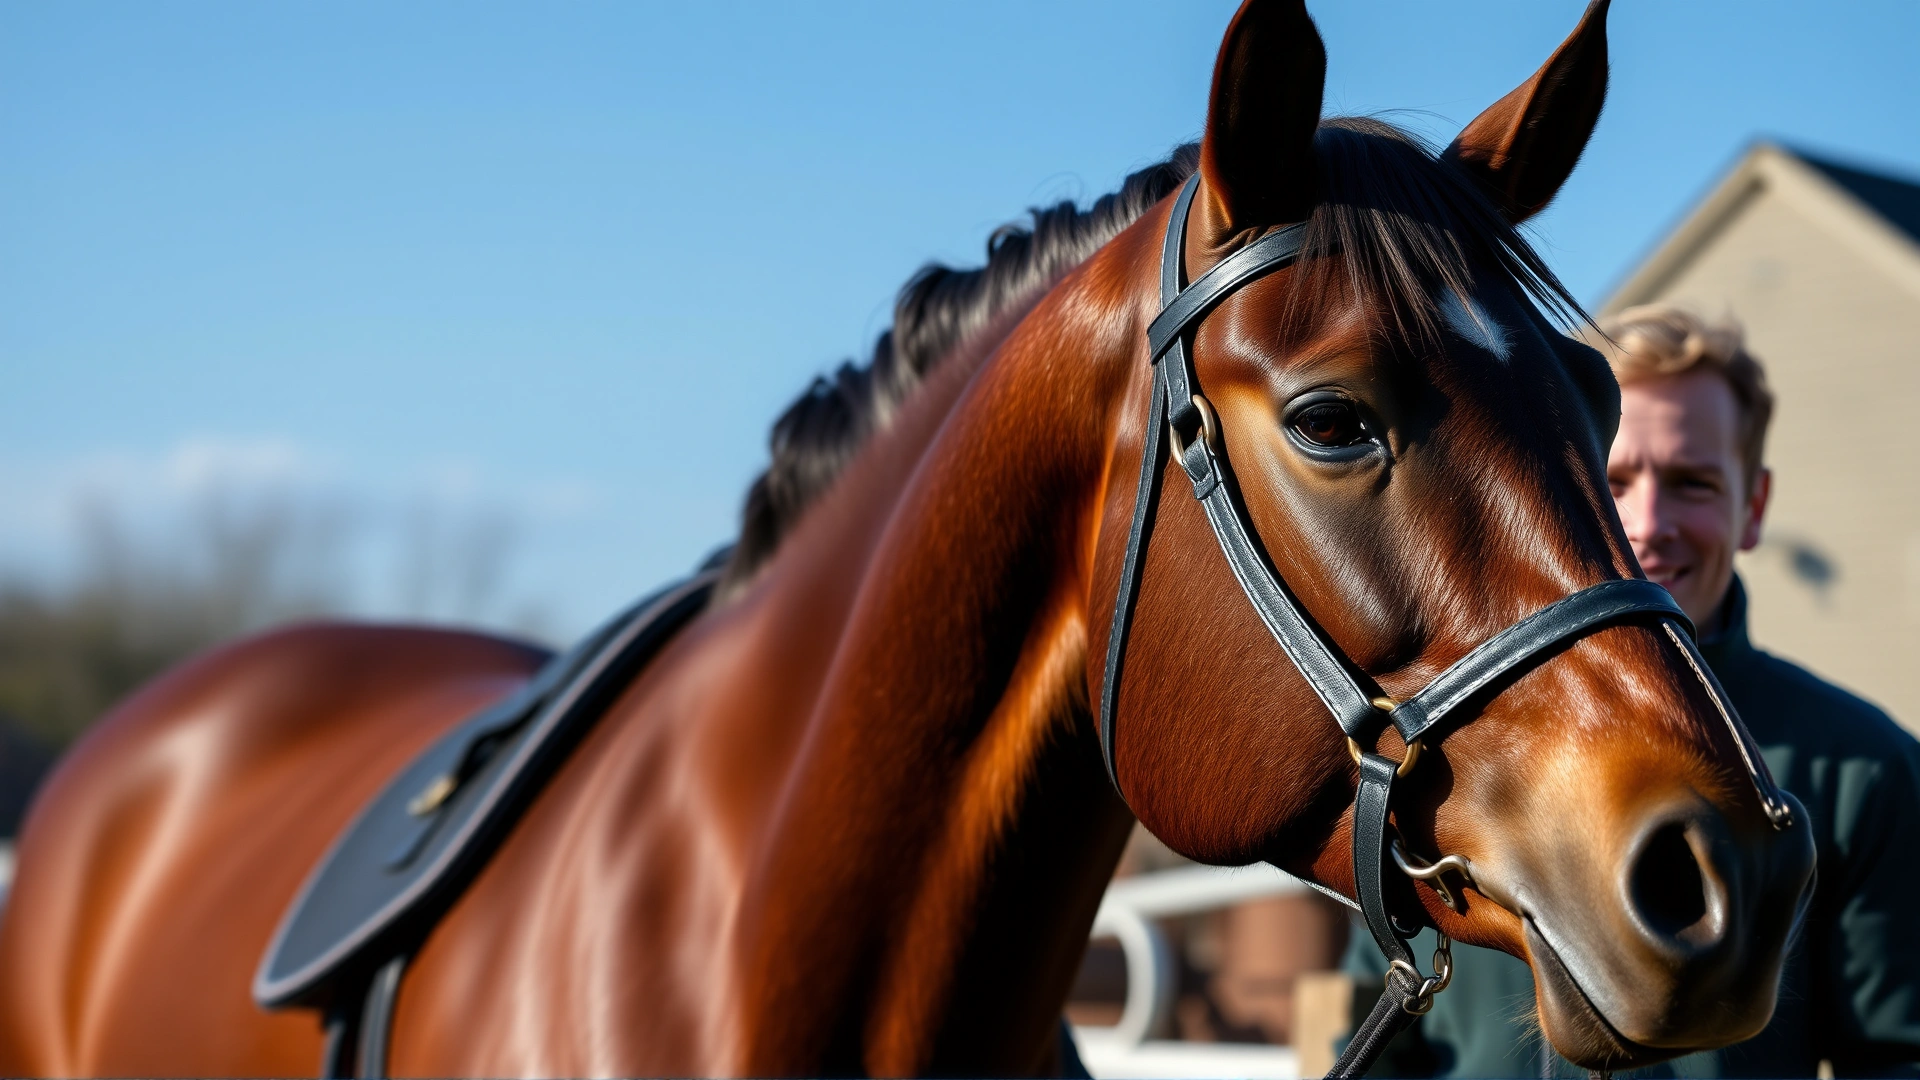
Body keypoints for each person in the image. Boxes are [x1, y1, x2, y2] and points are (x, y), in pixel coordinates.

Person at [1343, 304, 1920, 1078]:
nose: (1648, 521)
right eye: (1612, 476)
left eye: (1692, 483)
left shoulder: (1866, 768)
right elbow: (1370, 1028)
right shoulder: (1429, 743)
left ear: (1752, 510)